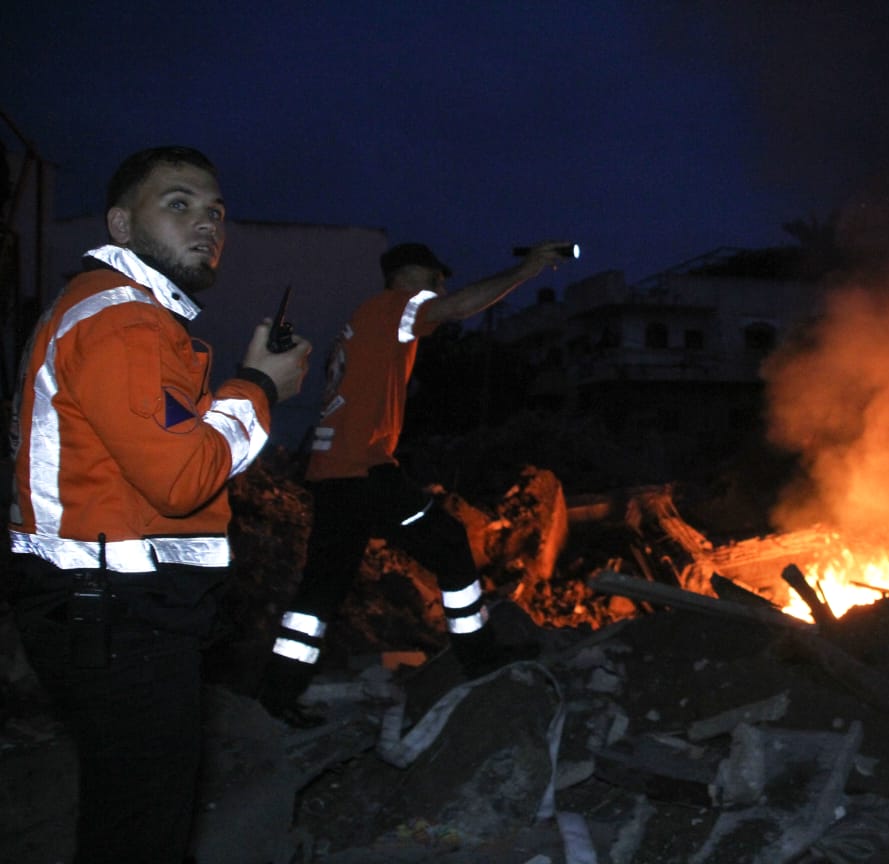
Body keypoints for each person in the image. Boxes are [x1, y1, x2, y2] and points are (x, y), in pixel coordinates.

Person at [6, 146, 312, 863]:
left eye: (215, 212)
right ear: (120, 223)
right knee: (143, 832)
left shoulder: (118, 315)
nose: (207, 224)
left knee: (126, 819)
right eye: (178, 204)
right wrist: (260, 387)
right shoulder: (124, 322)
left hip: (101, 611)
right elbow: (182, 479)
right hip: (119, 620)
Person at [258, 240, 571, 720]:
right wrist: (524, 271)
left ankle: (277, 695)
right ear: (411, 275)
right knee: (447, 541)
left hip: (330, 474)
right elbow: (459, 307)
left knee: (319, 590)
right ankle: (479, 657)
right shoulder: (394, 307)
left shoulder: (363, 320)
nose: (441, 287)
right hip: (365, 470)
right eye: (436, 277)